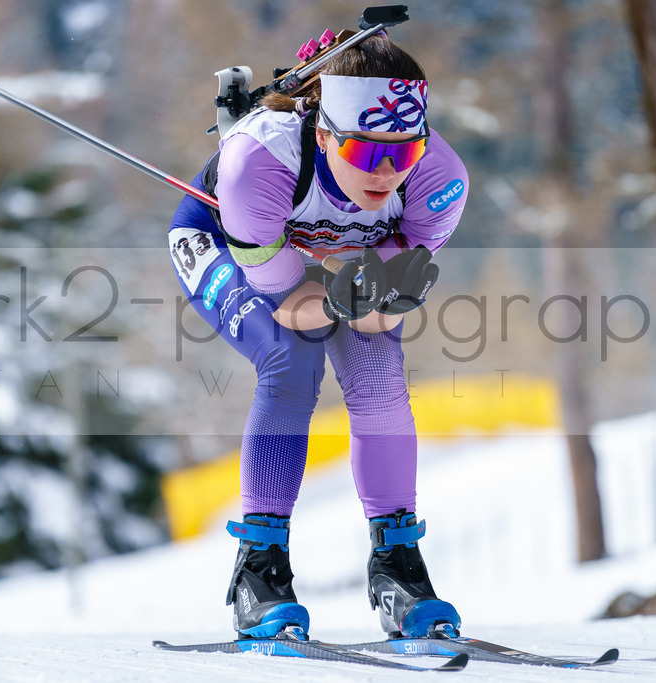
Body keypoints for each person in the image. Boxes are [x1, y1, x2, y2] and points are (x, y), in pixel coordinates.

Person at [168, 34, 469, 640]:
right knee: (291, 360)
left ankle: (398, 568)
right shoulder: (260, 164)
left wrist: (376, 302)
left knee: (378, 369)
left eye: (402, 153)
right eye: (364, 152)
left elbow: (372, 319)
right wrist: (341, 292)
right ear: (325, 134)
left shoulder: (439, 180)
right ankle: (260, 570)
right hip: (230, 245)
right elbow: (294, 307)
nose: (386, 173)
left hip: (327, 260)